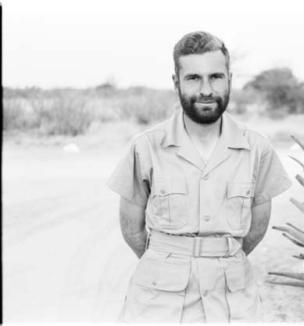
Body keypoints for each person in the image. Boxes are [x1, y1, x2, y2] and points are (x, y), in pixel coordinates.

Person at [107, 31, 292, 323]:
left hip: (233, 298)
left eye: (215, 77)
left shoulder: (256, 149)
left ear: (229, 79)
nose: (206, 89)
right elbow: (132, 229)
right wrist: (168, 262)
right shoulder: (147, 147)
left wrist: (220, 259)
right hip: (158, 299)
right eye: (193, 78)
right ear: (176, 82)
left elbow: (257, 227)